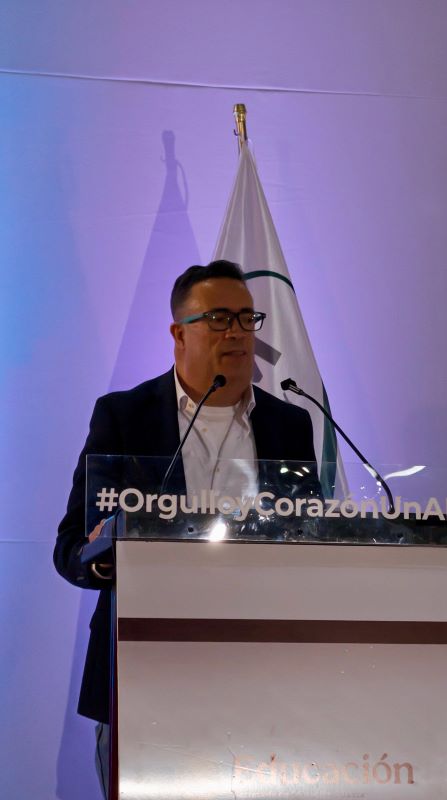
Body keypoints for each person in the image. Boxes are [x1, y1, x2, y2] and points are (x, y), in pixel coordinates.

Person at [54, 260, 319, 796]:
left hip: (262, 670)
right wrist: (110, 553)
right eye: (219, 318)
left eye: (246, 318)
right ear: (179, 333)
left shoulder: (291, 423)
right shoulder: (123, 416)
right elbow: (71, 548)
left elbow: (311, 538)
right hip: (144, 668)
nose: (237, 332)